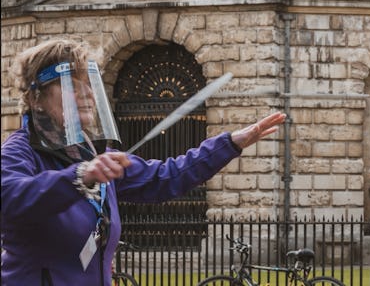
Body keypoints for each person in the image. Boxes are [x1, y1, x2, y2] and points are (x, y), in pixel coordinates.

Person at [1, 39, 287, 285]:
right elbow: (10, 198)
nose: (87, 95)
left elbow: (165, 178)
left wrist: (229, 144)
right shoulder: (21, 150)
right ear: (36, 98)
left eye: (89, 85)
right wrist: (79, 177)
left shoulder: (90, 153)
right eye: (72, 86)